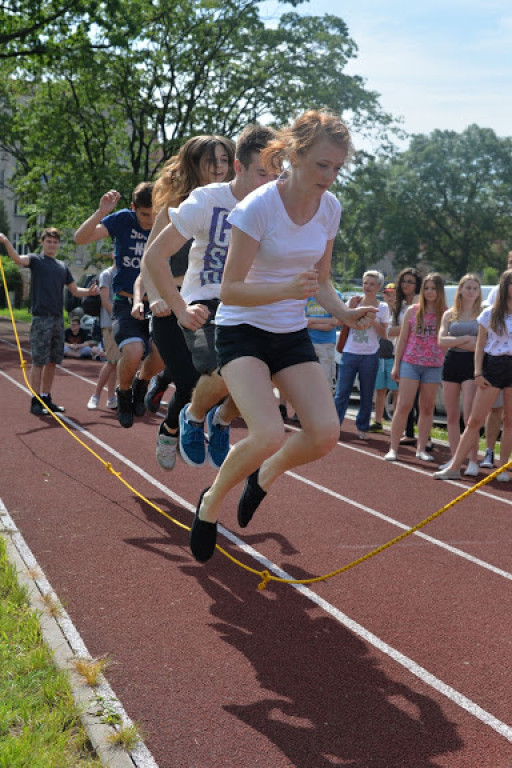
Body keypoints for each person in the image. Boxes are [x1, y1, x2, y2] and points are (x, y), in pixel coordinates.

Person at [171, 109, 378, 563]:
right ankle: (210, 503)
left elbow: (321, 281)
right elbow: (229, 290)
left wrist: (346, 314)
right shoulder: (258, 207)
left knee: (325, 434)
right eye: (322, 165)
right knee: (266, 432)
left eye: (337, 167)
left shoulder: (330, 208)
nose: (330, 176)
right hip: (241, 329)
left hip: (289, 332)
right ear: (294, 156)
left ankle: (262, 477)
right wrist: (285, 289)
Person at [142, 124, 277, 471]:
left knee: (267, 374)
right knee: (207, 376)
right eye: (263, 173)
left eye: (276, 175)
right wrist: (175, 306)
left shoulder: (276, 205)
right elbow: (152, 257)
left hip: (246, 303)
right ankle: (176, 423)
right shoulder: (204, 200)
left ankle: (219, 420)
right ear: (240, 167)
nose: (270, 183)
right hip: (202, 303)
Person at [136, 135, 235, 469]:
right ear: (194, 164)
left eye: (224, 160)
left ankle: (173, 411)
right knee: (191, 381)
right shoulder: (175, 208)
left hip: (208, 306)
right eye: (211, 161)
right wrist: (156, 299)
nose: (219, 167)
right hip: (171, 305)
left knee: (211, 378)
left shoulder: (236, 207)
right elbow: (150, 259)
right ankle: (169, 429)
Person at [74, 182, 159, 428]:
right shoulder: (122, 220)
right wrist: (101, 212)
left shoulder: (164, 222)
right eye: (144, 215)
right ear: (133, 208)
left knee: (162, 355)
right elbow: (80, 238)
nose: (149, 221)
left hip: (156, 302)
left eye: (154, 214)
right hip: (125, 301)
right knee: (133, 351)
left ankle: (142, 384)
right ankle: (123, 393)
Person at [0, 228, 99, 415]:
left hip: (57, 319)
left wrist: (90, 292)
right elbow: (18, 259)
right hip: (41, 318)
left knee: (53, 361)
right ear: (42, 243)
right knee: (39, 361)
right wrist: (5, 241)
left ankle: (46, 398)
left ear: (58, 244)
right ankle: (35, 400)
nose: (52, 245)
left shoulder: (62, 266)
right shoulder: (36, 260)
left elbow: (74, 290)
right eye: (49, 241)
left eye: (55, 242)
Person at [434, 269, 512, 481]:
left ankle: (502, 468)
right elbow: (480, 345)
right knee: (474, 420)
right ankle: (454, 467)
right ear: (506, 286)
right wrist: (477, 372)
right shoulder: (489, 313)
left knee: (509, 420)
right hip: (493, 365)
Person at [384, 273, 446, 462]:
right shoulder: (413, 311)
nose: (429, 292)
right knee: (403, 405)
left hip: (433, 365)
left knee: (427, 407)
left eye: (433, 288)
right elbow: (403, 339)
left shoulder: (445, 313)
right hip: (410, 362)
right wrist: (396, 365)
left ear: (440, 291)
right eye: (426, 288)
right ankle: (393, 448)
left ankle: (421, 448)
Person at [334, 270, 389, 439]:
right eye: (365, 283)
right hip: (350, 352)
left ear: (378, 287)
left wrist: (373, 321)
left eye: (372, 284)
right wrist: (351, 309)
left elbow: (385, 333)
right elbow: (339, 321)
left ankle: (362, 427)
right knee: (342, 392)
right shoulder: (354, 301)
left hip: (370, 355)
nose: (367, 287)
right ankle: (334, 426)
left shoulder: (382, 307)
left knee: (366, 393)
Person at [437, 274, 482, 476]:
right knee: (452, 415)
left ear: (478, 292)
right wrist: (465, 338)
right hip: (451, 364)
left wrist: (455, 340)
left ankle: (473, 459)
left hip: (471, 365)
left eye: (475, 288)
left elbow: (480, 345)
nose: (471, 291)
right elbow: (441, 341)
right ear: (461, 290)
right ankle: (454, 458)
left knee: (469, 416)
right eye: (468, 288)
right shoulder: (449, 314)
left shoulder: (482, 314)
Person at [478, 250, 512, 468]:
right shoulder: (496, 292)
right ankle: (489, 452)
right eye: (511, 261)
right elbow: (486, 323)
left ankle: (504, 460)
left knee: (509, 417)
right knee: (494, 410)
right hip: (495, 363)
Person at [389, 268, 423, 445]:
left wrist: (403, 330)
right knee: (406, 397)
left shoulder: (422, 304)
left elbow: (421, 329)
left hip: (420, 353)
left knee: (420, 398)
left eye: (410, 282)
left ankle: (425, 436)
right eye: (403, 281)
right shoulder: (399, 305)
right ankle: (409, 432)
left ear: (417, 285)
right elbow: (390, 331)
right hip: (401, 353)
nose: (406, 285)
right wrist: (406, 329)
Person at [87, 260, 121, 410]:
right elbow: (106, 301)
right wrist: (120, 317)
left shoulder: (125, 273)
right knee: (112, 361)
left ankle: (111, 397)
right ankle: (95, 395)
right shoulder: (107, 274)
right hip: (110, 323)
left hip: (121, 323)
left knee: (114, 362)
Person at [369, 281, 397, 431]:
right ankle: (378, 421)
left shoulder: (401, 313)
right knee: (380, 390)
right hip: (380, 354)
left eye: (393, 294)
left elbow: (392, 332)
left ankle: (397, 425)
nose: (390, 297)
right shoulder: (380, 310)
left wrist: (384, 329)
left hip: (394, 355)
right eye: (387, 294)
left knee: (396, 391)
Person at [305, 289, 342, 391]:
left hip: (326, 344)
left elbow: (334, 322)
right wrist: (326, 322)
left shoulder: (334, 294)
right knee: (306, 384)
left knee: (325, 384)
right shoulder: (306, 293)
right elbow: (302, 321)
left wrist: (311, 321)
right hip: (307, 343)